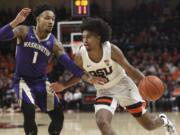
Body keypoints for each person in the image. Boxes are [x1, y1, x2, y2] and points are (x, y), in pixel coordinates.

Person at [50, 17, 177, 135]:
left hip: (123, 86)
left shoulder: (111, 50)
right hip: (104, 90)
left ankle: (164, 120)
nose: (84, 41)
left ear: (98, 37)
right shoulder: (80, 56)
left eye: (88, 37)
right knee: (102, 122)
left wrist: (144, 81)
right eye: (83, 37)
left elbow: (129, 69)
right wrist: (64, 85)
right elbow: (79, 75)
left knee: (149, 125)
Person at [0, 5, 105, 135]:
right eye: (47, 18)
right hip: (22, 81)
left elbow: (69, 64)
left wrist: (89, 78)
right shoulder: (24, 31)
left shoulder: (54, 43)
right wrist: (15, 21)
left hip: (41, 82)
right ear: (38, 19)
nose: (51, 22)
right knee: (29, 111)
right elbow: (1, 36)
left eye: (53, 19)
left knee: (58, 118)